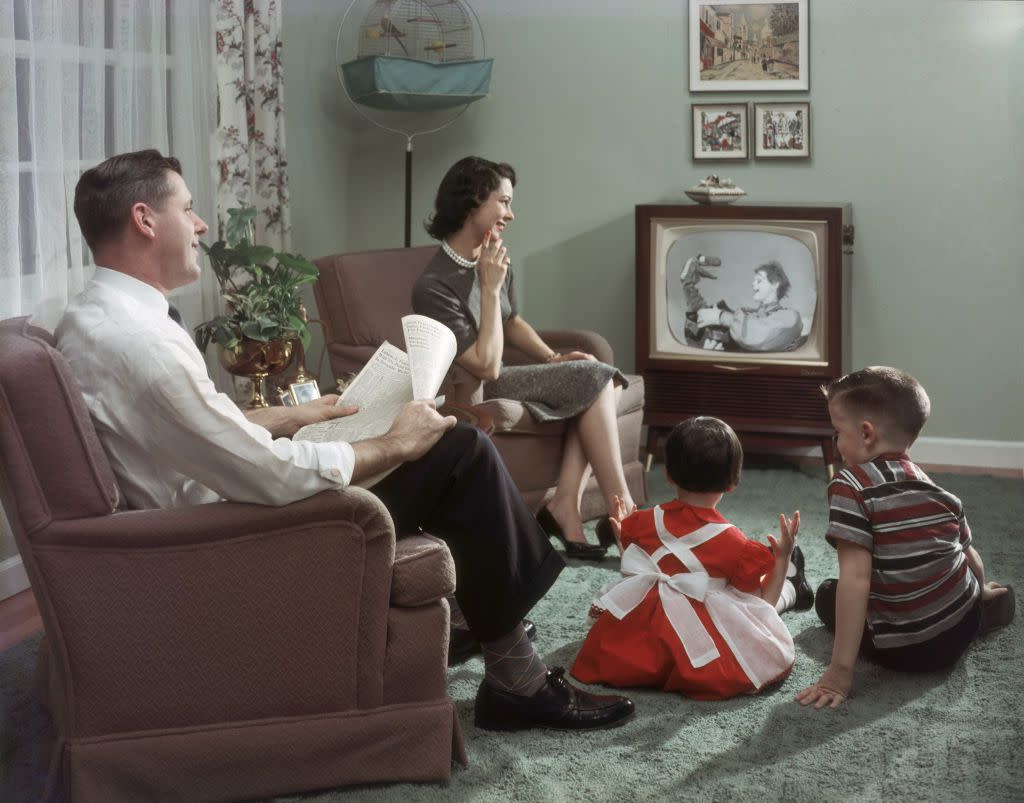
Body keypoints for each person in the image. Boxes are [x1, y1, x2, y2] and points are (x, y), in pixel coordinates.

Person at [55, 149, 635, 732]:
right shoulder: (144, 344)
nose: (201, 224)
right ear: (144, 220)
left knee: (443, 442)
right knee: (459, 451)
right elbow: (265, 475)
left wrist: (293, 417)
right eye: (188, 208)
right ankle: (518, 677)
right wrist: (392, 446)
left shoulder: (91, 319)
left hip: (213, 510)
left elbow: (181, 433)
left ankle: (481, 623)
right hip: (232, 535)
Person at [412, 156, 634, 561]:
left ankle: (566, 502)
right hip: (466, 387)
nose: (510, 214)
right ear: (472, 201)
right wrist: (490, 287)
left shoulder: (491, 257)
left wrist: (553, 358)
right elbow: (484, 366)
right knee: (600, 378)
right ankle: (626, 515)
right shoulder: (434, 284)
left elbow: (511, 323)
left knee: (604, 378)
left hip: (493, 369)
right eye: (503, 202)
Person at [796, 367, 1015, 710]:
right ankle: (983, 607)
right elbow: (970, 557)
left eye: (837, 432)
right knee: (970, 586)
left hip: (905, 650)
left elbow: (857, 579)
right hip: (961, 628)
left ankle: (962, 610)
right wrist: (980, 592)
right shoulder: (939, 491)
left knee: (829, 593)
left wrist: (838, 673)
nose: (836, 443)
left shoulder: (849, 487)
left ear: (866, 434)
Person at [571, 416, 812, 699]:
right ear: (733, 482)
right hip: (698, 644)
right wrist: (781, 558)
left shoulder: (643, 522)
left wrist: (626, 534)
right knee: (751, 612)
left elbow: (638, 574)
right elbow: (763, 605)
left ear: (669, 475)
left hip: (641, 638)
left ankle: (795, 588)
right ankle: (793, 587)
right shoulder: (735, 543)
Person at [687, 259, 803, 352]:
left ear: (775, 284)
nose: (753, 284)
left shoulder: (790, 317)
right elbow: (703, 315)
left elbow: (760, 334)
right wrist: (688, 285)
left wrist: (721, 317)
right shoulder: (745, 315)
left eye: (759, 280)